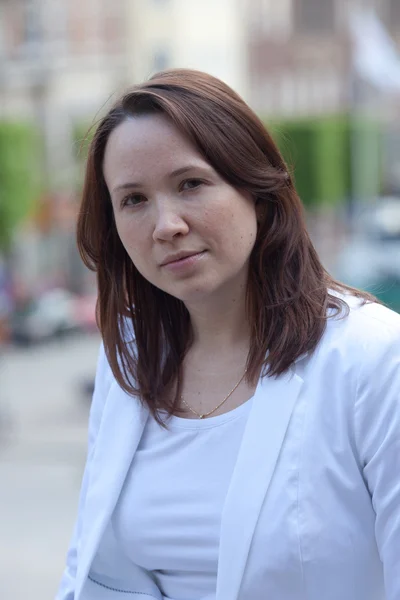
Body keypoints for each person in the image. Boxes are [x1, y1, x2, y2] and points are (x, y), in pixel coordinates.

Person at [56, 69, 400, 600]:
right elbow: (93, 570)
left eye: (190, 184)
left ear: (257, 190)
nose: (165, 224)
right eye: (133, 199)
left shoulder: (374, 358)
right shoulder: (128, 360)